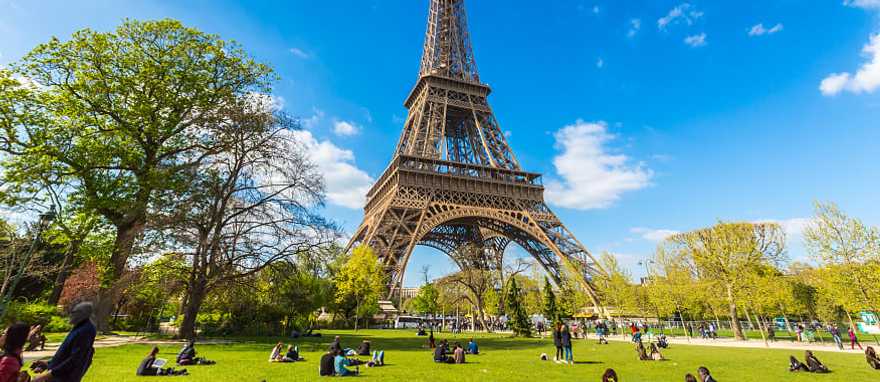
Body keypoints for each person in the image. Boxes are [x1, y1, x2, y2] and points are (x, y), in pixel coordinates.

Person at [30, 302, 97, 382]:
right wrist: (48, 363)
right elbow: (66, 354)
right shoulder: (79, 327)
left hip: (64, 378)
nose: (71, 315)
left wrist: (46, 376)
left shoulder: (85, 331)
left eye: (74, 312)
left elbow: (74, 360)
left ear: (83, 314)